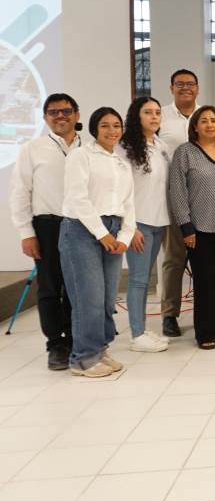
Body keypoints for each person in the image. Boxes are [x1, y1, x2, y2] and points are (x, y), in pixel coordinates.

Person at [60, 107, 134, 377]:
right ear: (94, 129)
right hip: (82, 230)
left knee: (106, 298)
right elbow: (77, 198)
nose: (112, 131)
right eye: (105, 125)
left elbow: (129, 203)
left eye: (116, 125)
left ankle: (99, 349)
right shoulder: (81, 156)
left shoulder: (121, 163)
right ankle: (83, 359)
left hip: (113, 229)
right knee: (87, 297)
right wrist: (101, 234)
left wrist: (125, 236)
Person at [10, 93, 82, 370]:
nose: (60, 116)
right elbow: (20, 191)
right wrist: (26, 232)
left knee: (78, 286)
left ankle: (77, 339)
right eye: (53, 112)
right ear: (45, 117)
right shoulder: (33, 148)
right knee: (50, 287)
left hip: (82, 226)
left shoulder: (88, 148)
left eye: (66, 111)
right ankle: (56, 344)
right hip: (48, 226)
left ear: (76, 114)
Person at [168, 106, 215, 349]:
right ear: (195, 126)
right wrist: (186, 226)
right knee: (204, 281)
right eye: (204, 121)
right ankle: (205, 333)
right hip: (199, 228)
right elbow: (177, 190)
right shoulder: (185, 152)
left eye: (214, 120)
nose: (209, 124)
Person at [119, 96, 171, 353]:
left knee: (146, 279)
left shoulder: (160, 146)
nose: (154, 117)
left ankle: (141, 329)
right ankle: (137, 335)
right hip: (138, 223)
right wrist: (131, 227)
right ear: (136, 116)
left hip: (159, 221)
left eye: (157, 112)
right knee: (138, 280)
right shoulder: (125, 147)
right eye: (148, 112)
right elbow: (121, 190)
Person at [158, 69, 201, 338]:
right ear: (171, 87)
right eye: (180, 84)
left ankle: (206, 311)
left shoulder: (206, 115)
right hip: (173, 197)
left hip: (204, 198)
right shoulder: (160, 116)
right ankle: (169, 315)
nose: (186, 88)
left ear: (197, 88)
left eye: (190, 84)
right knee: (174, 258)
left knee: (205, 260)